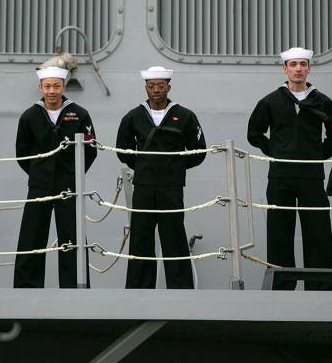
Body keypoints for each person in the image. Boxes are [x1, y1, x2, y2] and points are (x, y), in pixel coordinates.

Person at [247, 47, 332, 290]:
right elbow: (254, 133)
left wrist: (316, 155)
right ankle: (281, 286)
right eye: (293, 65)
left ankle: (321, 286)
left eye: (303, 64)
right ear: (285, 69)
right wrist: (276, 152)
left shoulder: (322, 101)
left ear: (309, 68)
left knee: (318, 229)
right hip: (281, 176)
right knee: (279, 230)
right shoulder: (270, 101)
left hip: (312, 175)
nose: (298, 69)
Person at [115, 66, 206, 289]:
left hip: (171, 186)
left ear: (169, 87)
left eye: (161, 86)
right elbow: (122, 150)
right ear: (145, 87)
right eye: (151, 86)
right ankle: (138, 291)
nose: (156, 90)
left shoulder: (184, 115)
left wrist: (174, 167)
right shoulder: (133, 116)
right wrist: (144, 166)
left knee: (174, 238)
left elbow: (199, 150)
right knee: (140, 239)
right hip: (144, 186)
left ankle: (180, 290)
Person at [13, 66, 97, 288]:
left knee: (73, 237)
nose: (52, 91)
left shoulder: (79, 114)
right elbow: (22, 153)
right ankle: (26, 288)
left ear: (64, 87)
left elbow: (91, 149)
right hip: (39, 186)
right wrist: (39, 174)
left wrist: (72, 174)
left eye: (56, 86)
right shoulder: (29, 116)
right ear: (40, 87)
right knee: (32, 236)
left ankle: (75, 288)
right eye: (47, 86)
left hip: (69, 186)